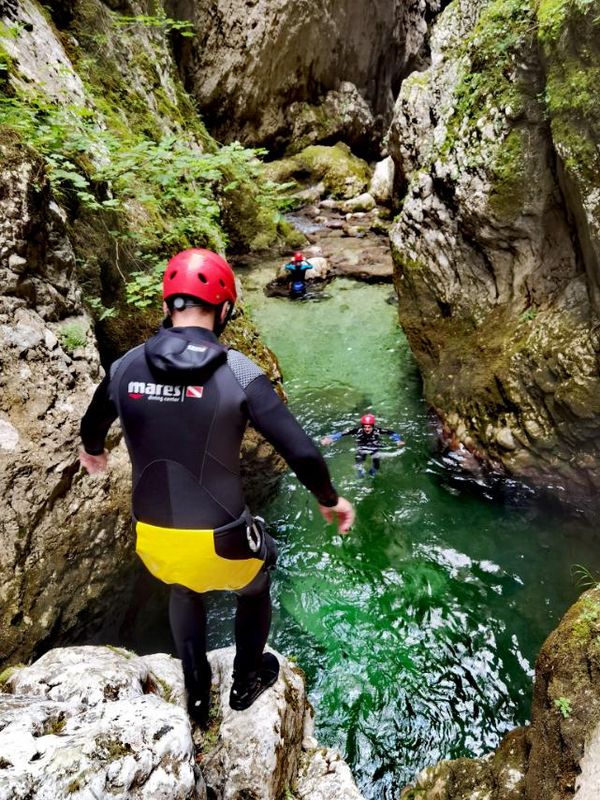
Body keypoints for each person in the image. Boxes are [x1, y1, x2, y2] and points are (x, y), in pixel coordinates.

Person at [79, 248, 354, 726]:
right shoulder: (239, 371)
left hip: (153, 542)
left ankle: (198, 692)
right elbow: (302, 452)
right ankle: (246, 679)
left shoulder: (124, 367)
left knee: (183, 587)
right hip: (224, 544)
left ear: (168, 305)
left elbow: (92, 422)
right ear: (224, 310)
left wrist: (94, 453)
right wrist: (330, 499)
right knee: (259, 576)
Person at [322, 414, 404, 477]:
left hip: (374, 447)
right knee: (359, 464)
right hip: (362, 447)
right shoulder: (358, 430)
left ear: (372, 426)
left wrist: (398, 440)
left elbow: (391, 432)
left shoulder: (378, 430)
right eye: (365, 427)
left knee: (376, 464)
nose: (367, 429)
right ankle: (360, 476)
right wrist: (330, 438)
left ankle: (372, 474)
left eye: (369, 427)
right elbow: (342, 434)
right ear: (362, 426)